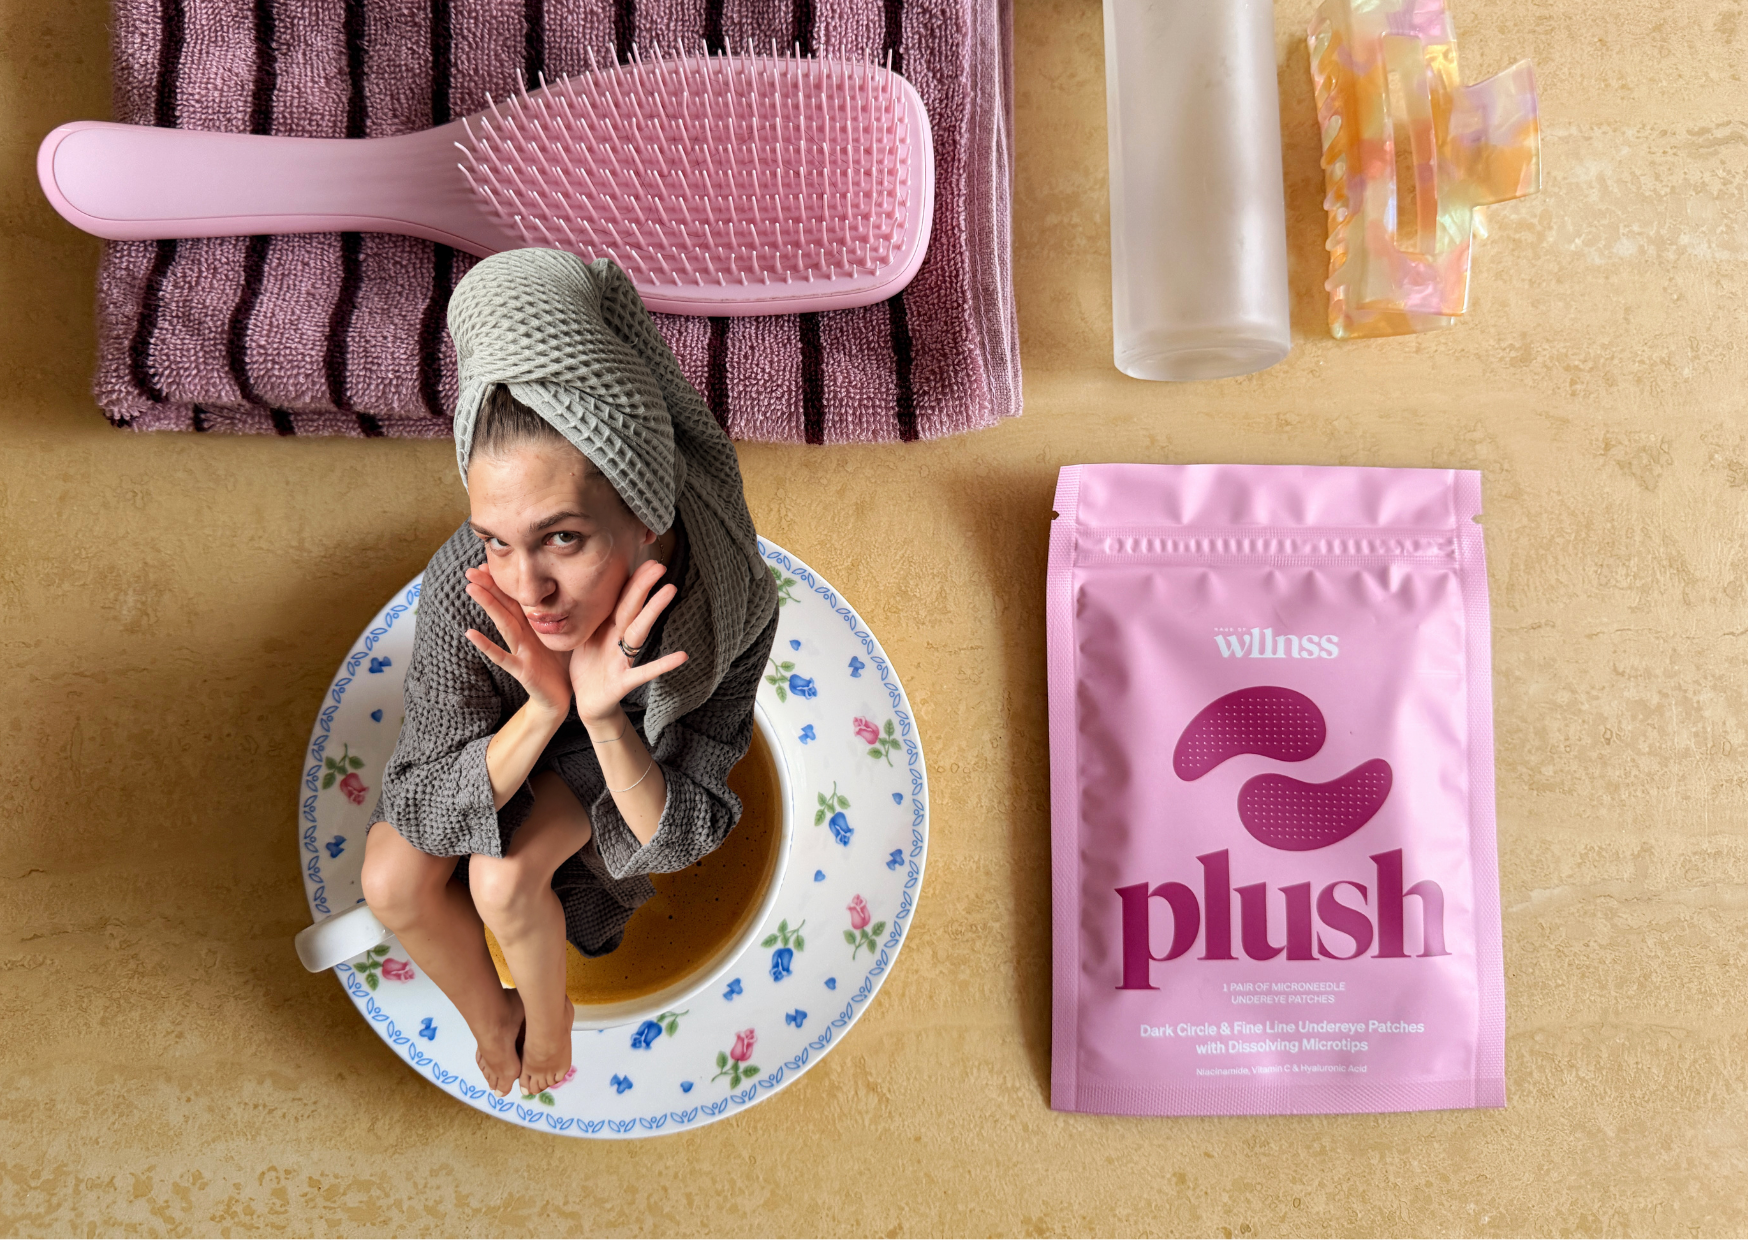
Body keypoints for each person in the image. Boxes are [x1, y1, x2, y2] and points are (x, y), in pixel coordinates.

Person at [358, 249, 778, 1099]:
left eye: (562, 539)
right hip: (519, 741)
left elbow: (688, 832)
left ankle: (551, 1026)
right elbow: (418, 801)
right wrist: (545, 709)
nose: (527, 588)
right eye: (494, 539)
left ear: (647, 519)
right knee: (388, 876)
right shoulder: (465, 590)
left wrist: (605, 720)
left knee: (503, 875)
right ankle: (496, 1020)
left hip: (616, 768)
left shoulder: (730, 606)